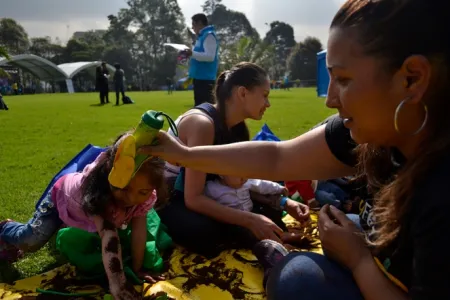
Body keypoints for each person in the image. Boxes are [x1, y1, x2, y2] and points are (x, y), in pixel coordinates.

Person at [138, 0, 450, 298]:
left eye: (342, 78)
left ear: (412, 79)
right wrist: (184, 155)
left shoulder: (439, 189)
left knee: (296, 278)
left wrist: (359, 261)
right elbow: (278, 157)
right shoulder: (376, 131)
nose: (329, 99)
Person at [158, 62, 309, 286]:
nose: (268, 103)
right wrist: (250, 219)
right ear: (242, 93)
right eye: (265, 95)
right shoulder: (203, 125)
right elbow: (193, 198)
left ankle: (253, 234)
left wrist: (284, 202)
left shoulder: (237, 128)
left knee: (272, 216)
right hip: (173, 197)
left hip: (211, 191)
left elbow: (242, 183)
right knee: (204, 233)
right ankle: (253, 236)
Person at [0, 132, 167, 299]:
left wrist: (138, 269)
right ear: (112, 177)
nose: (132, 199)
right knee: (31, 241)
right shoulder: (100, 194)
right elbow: (109, 237)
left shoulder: (143, 197)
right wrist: (118, 283)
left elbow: (139, 231)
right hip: (59, 200)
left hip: (84, 213)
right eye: (124, 189)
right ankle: (5, 227)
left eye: (143, 192)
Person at [184, 13, 219, 106]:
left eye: (193, 25)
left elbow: (210, 57)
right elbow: (198, 54)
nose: (193, 28)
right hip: (199, 78)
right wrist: (190, 54)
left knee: (206, 109)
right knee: (200, 108)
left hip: (206, 79)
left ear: (199, 23)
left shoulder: (209, 36)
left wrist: (192, 53)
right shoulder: (201, 37)